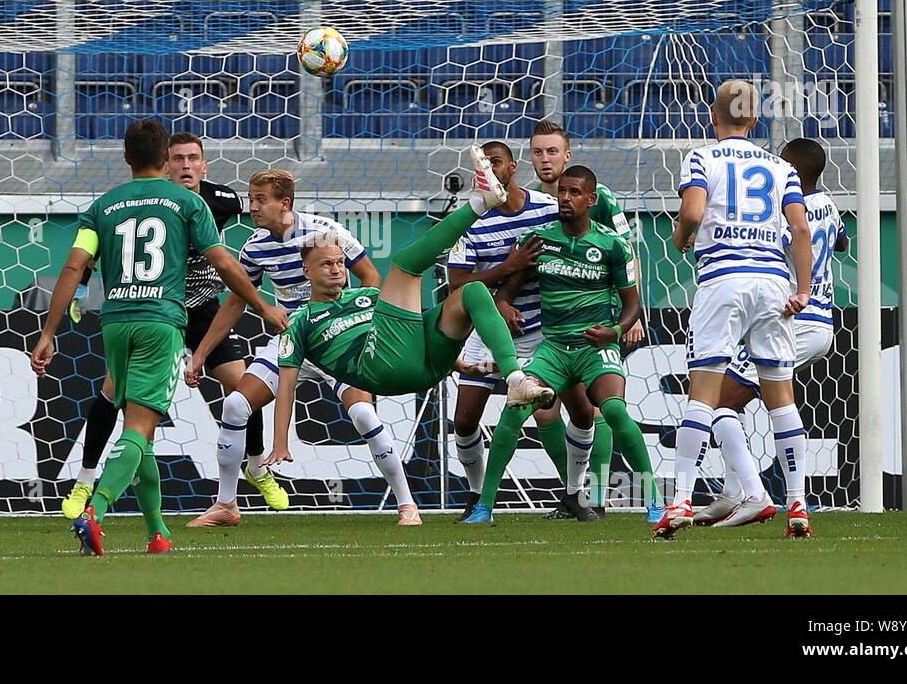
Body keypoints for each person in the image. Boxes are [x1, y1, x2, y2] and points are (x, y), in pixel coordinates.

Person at [30, 119, 286, 555]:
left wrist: (48, 332)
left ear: (127, 158)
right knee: (138, 428)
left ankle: (157, 533)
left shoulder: (102, 207)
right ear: (165, 158)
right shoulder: (186, 203)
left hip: (115, 322)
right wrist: (263, 306)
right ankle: (97, 510)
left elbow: (74, 269)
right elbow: (224, 263)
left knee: (138, 432)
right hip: (160, 322)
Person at [260, 146, 557, 519]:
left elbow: (406, 325)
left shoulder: (366, 297)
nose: (337, 270)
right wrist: (280, 443)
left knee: (472, 293)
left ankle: (515, 378)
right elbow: (286, 384)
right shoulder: (300, 322)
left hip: (424, 365)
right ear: (307, 273)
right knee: (403, 267)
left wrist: (462, 366)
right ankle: (480, 203)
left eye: (339, 262)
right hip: (380, 369)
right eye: (326, 265)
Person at [182, 169, 402, 526]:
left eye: (260, 200)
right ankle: (226, 506)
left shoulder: (326, 233)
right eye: (251, 199)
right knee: (237, 405)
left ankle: (406, 505)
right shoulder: (254, 245)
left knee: (364, 415)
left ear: (284, 203)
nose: (252, 206)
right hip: (292, 339)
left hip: (336, 335)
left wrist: (351, 322)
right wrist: (202, 353)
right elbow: (237, 300)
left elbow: (371, 278)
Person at [653, 80, 813, 539]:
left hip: (723, 278)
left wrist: (681, 239)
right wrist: (801, 291)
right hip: (772, 282)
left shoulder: (702, 157)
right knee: (781, 395)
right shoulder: (780, 166)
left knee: (703, 391)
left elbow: (694, 213)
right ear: (756, 119)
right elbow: (799, 231)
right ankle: (797, 503)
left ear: (712, 116)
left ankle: (681, 499)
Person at [462, 165, 642, 525]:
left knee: (600, 412)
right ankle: (495, 504)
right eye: (562, 192)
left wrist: (623, 326)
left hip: (591, 342)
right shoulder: (537, 231)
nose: (565, 198)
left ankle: (602, 497)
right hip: (549, 342)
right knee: (523, 411)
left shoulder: (606, 222)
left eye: (573, 193)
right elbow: (506, 288)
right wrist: (504, 304)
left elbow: (630, 280)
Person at [692, 137, 847, 538]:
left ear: (791, 169)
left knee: (721, 400)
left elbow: (789, 244)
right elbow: (841, 240)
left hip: (794, 315)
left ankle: (756, 495)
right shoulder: (827, 203)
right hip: (822, 321)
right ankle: (731, 493)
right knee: (737, 402)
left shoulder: (787, 214)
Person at [528, 120, 664, 521]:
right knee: (548, 412)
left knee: (600, 408)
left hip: (596, 320)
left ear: (567, 155)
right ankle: (574, 495)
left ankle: (598, 498)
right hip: (547, 319)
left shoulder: (597, 196)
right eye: (538, 152)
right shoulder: (536, 201)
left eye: (553, 151)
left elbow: (625, 250)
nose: (545, 159)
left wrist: (631, 318)